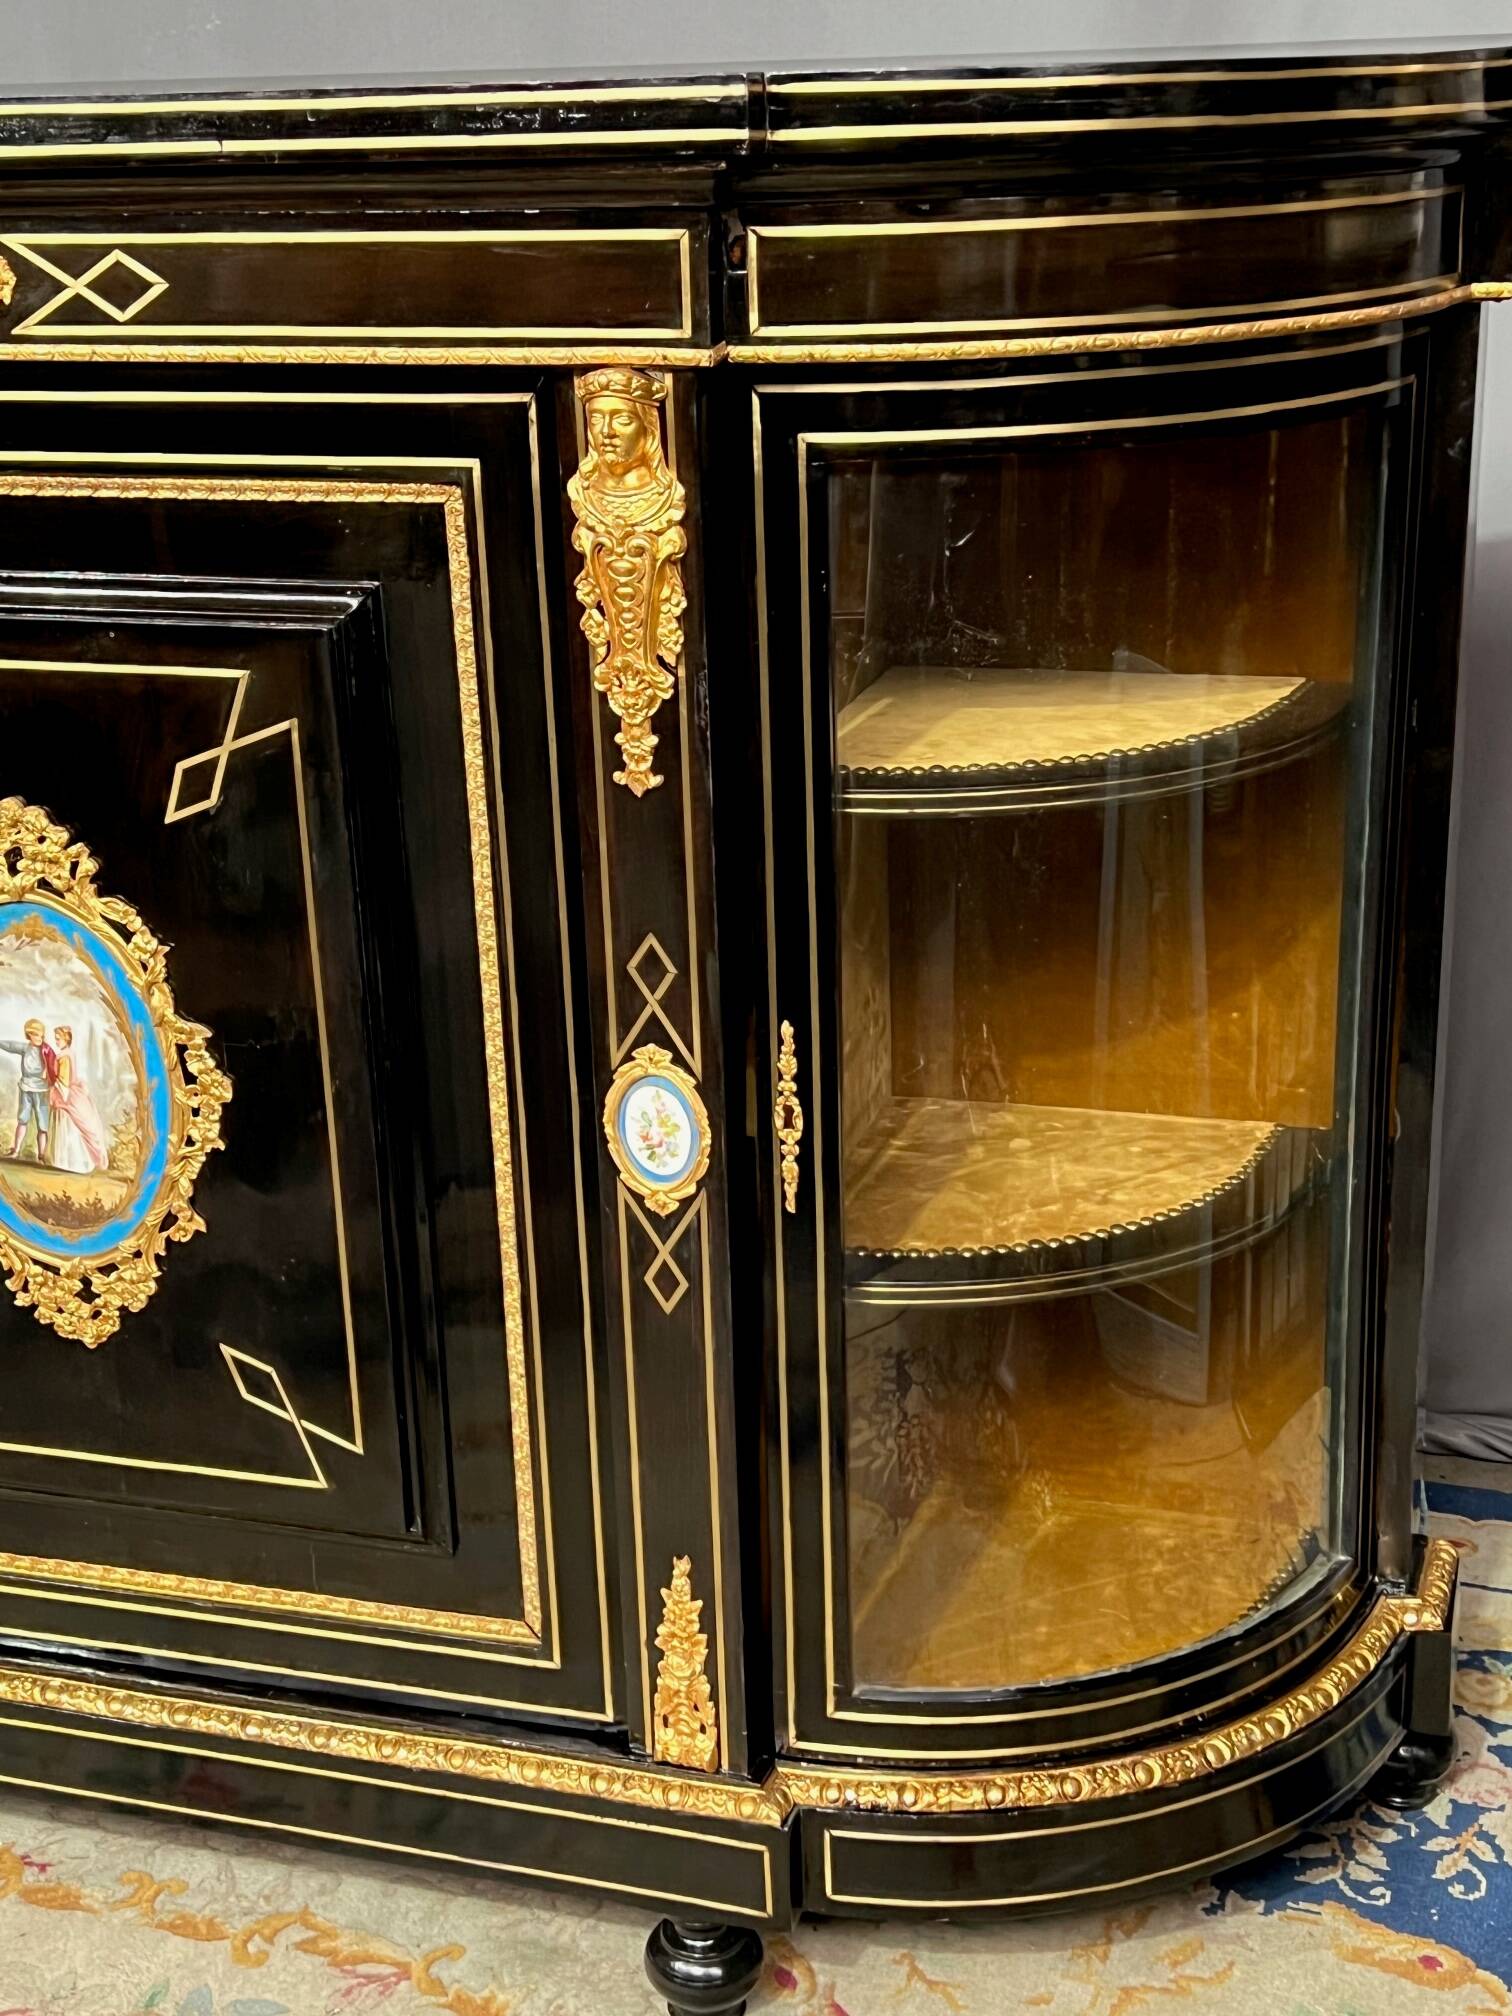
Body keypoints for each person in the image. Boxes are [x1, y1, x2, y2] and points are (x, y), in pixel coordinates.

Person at [48, 1026, 107, 1175]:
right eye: (55, 1038)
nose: (56, 1041)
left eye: (58, 1038)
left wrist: (57, 1095)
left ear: (66, 1039)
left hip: (67, 1093)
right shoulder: (68, 1054)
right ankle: (63, 1161)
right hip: (71, 1091)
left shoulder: (64, 1056)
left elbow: (64, 1081)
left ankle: (67, 1161)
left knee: (72, 1123)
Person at [2, 1018, 55, 1163]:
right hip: (26, 1088)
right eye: (36, 1035)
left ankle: (42, 1156)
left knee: (42, 1125)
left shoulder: (47, 1051)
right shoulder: (25, 1048)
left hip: (42, 1090)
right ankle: (16, 1150)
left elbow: (54, 1069)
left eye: (41, 1035)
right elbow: (10, 1045)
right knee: (22, 1120)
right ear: (29, 1035)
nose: (39, 1038)